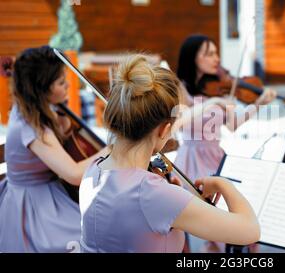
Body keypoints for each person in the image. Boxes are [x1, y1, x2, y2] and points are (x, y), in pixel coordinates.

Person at [79, 54, 260, 253]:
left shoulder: (92, 170)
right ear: (164, 130)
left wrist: (172, 198)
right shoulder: (152, 193)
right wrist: (222, 183)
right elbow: (250, 231)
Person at [0, 46, 109, 252]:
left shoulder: (33, 109)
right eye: (61, 82)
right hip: (32, 206)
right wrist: (114, 148)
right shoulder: (32, 125)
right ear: (41, 89)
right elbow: (75, 174)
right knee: (90, 240)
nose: (68, 84)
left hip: (49, 191)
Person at [174, 34, 277, 182]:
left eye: (216, 53)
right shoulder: (180, 87)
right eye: (210, 54)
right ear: (193, 57)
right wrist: (212, 102)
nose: (217, 59)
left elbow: (231, 125)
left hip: (215, 156)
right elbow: (179, 122)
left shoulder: (219, 86)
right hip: (191, 159)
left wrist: (258, 105)